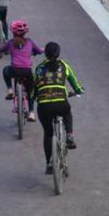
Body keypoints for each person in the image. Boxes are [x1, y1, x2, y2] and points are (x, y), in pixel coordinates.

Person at [33, 42, 84, 173]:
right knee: (67, 112)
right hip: (60, 102)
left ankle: (49, 162)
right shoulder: (63, 65)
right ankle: (70, 136)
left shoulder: (38, 68)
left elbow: (33, 91)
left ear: (45, 54)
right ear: (58, 53)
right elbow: (75, 83)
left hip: (44, 106)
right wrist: (79, 90)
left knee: (48, 134)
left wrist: (32, 99)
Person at [0, 20, 43, 122]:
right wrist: (42, 49)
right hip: (27, 72)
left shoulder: (10, 43)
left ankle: (10, 89)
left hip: (14, 70)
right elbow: (39, 51)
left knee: (5, 70)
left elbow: (1, 49)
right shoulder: (29, 42)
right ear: (25, 32)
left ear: (13, 32)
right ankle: (31, 113)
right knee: (30, 91)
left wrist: (1, 49)